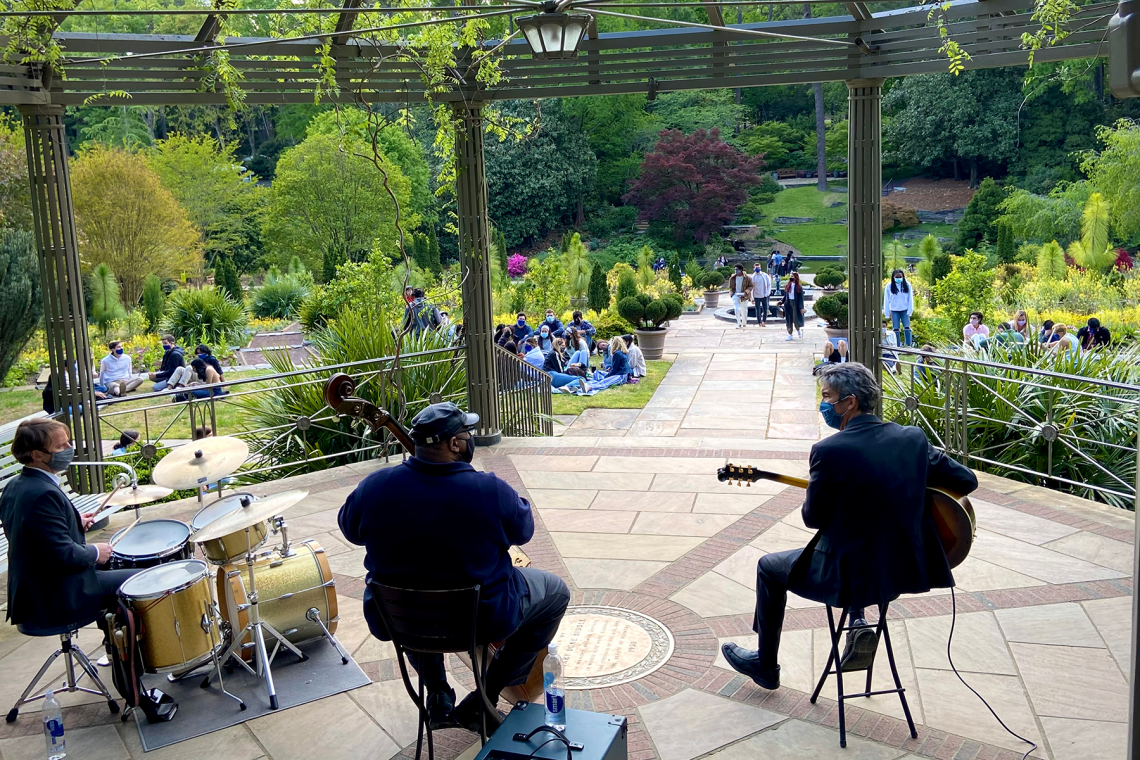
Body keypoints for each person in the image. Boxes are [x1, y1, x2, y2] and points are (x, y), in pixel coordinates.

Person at [721, 364, 978, 689]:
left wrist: (824, 489)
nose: (824, 405)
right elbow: (967, 480)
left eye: (827, 397)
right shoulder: (912, 438)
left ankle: (765, 664)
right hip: (901, 571)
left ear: (850, 402)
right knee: (858, 541)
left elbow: (812, 518)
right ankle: (857, 623)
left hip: (846, 576)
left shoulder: (830, 451)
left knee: (768, 567)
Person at [338, 403, 570, 732]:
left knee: (417, 599)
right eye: (468, 433)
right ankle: (484, 698)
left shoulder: (374, 487)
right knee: (556, 593)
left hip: (400, 622)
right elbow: (524, 531)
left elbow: (349, 529)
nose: (470, 439)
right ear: (454, 444)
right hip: (481, 621)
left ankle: (437, 695)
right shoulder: (490, 491)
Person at [882, 269, 915, 347]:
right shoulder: (889, 286)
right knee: (896, 329)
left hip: (905, 310)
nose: (899, 278)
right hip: (894, 310)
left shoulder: (907, 285)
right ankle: (897, 346)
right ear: (893, 277)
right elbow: (886, 300)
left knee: (907, 327)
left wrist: (910, 310)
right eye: (897, 277)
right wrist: (887, 312)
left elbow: (910, 299)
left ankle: (908, 345)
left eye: (900, 277)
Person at [728, 264, 754, 330]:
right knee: (737, 308)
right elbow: (730, 287)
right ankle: (738, 323)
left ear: (741, 270)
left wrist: (745, 292)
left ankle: (744, 323)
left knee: (744, 310)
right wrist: (732, 293)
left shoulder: (747, 278)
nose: (736, 271)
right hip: (735, 295)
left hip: (744, 296)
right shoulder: (732, 278)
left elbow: (751, 286)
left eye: (737, 269)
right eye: (735, 269)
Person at [783, 272, 805, 341]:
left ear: (796, 278)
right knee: (789, 320)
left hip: (795, 304)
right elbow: (785, 296)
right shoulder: (787, 286)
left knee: (795, 319)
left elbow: (801, 298)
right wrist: (781, 301)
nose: (791, 278)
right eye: (790, 276)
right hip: (788, 303)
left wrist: (801, 307)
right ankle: (790, 334)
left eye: (792, 276)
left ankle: (798, 330)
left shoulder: (799, 287)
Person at [752, 262, 772, 327]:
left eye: (758, 267)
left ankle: (764, 321)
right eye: (756, 268)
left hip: (764, 295)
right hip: (756, 296)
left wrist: (767, 293)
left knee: (765, 310)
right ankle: (759, 322)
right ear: (754, 268)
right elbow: (751, 288)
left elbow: (769, 285)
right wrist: (752, 298)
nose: (757, 269)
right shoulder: (752, 277)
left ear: (760, 268)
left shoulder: (765, 275)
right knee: (758, 310)